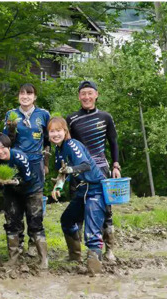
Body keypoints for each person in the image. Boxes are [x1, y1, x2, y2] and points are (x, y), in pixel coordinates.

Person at [66, 80, 121, 262]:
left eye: (90, 93)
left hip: (101, 169)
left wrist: (115, 165)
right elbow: (68, 146)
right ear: (78, 96)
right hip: (79, 171)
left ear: (96, 95)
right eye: (83, 93)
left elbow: (113, 142)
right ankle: (79, 253)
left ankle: (109, 249)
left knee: (105, 210)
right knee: (79, 208)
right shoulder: (71, 119)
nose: (86, 97)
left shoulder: (105, 117)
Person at [49, 116, 108, 275]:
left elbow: (85, 165)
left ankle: (94, 272)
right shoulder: (58, 150)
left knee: (92, 232)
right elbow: (63, 172)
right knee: (67, 219)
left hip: (95, 188)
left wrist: (70, 170)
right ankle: (75, 257)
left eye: (58, 130)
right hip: (82, 190)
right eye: (52, 131)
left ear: (65, 131)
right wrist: (58, 186)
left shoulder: (72, 144)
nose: (55, 134)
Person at [3, 83, 50, 258]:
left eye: (29, 93)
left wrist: (46, 164)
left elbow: (48, 142)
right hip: (14, 164)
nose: (25, 96)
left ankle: (33, 244)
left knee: (35, 209)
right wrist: (11, 130)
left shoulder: (43, 115)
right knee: (13, 209)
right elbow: (5, 142)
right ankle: (17, 248)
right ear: (18, 97)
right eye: (22, 93)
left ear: (35, 97)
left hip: (36, 164)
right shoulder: (11, 114)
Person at [0, 133, 46, 268]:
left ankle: (43, 259)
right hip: (11, 192)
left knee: (35, 222)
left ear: (8, 146)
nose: (0, 152)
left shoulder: (19, 157)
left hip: (31, 189)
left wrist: (14, 181)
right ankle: (14, 257)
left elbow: (28, 179)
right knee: (12, 223)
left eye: (3, 147)